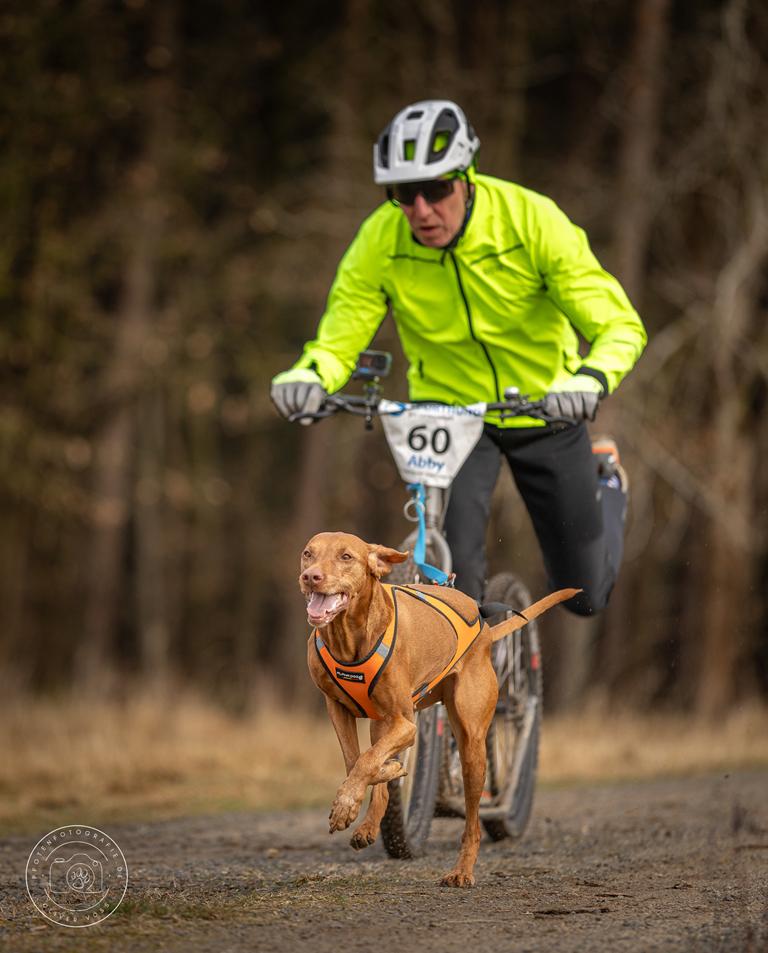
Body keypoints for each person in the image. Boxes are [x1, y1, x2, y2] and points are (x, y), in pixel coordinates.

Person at [271, 100, 646, 615]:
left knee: (584, 595)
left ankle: (605, 477)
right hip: (449, 418)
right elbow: (340, 334)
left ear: (466, 178)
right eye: (405, 194)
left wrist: (591, 378)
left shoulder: (530, 220)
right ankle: (460, 676)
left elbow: (618, 323)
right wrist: (310, 375)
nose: (421, 209)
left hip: (545, 407)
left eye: (436, 190)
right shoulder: (380, 239)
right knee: (449, 590)